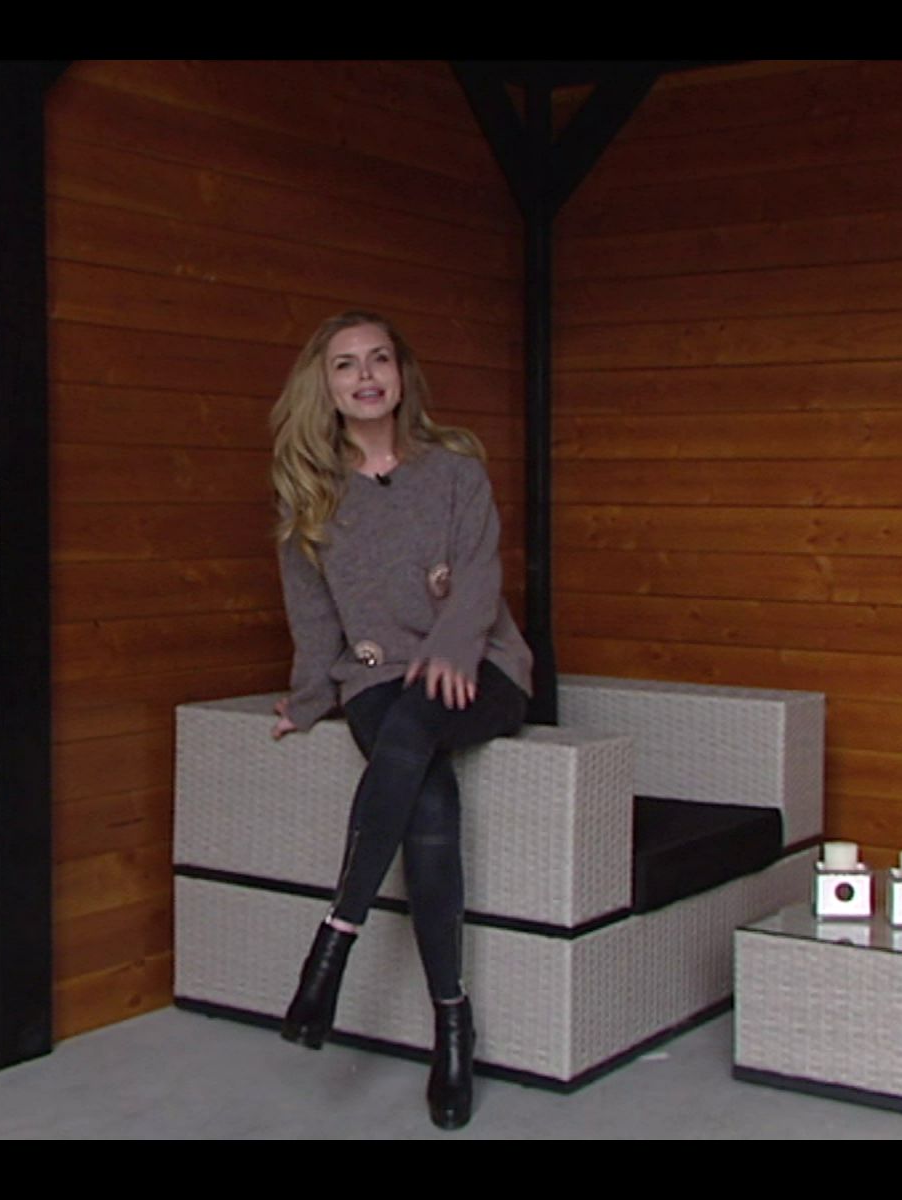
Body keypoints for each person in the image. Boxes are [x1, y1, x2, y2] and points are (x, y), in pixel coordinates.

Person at [267, 310, 533, 1131]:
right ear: (325, 387)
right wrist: (309, 699)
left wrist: (453, 647)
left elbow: (479, 575)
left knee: (415, 729)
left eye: (379, 359)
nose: (365, 376)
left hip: (480, 666)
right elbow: (313, 618)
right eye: (346, 365)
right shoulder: (310, 493)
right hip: (379, 675)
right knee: (427, 792)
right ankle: (453, 1022)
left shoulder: (454, 471)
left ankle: (334, 941)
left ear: (402, 374)